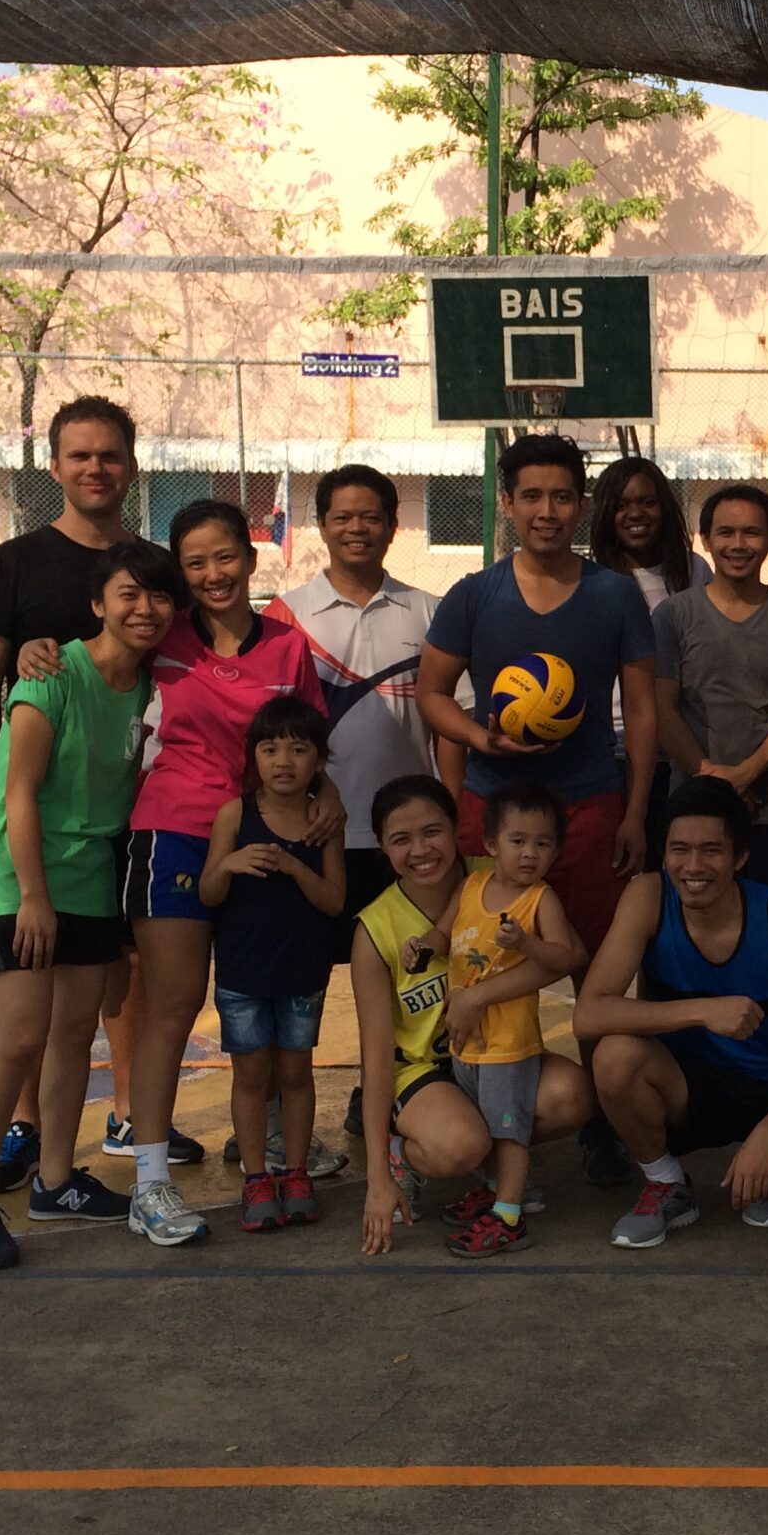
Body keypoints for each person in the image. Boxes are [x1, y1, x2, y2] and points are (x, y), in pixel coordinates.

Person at [417, 433, 658, 1189]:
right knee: (476, 961)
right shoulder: (473, 595)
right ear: (508, 503)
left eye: (561, 496)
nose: (546, 510)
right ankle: (455, 1113)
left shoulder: (615, 595)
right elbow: (431, 693)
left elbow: (642, 711)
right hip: (494, 810)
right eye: (531, 496)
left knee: (594, 974)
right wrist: (477, 737)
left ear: (582, 505)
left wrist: (635, 811)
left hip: (589, 806)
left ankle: (604, 1126)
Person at [0, 540, 178, 1270]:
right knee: (20, 1035)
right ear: (97, 604)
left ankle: (55, 1180)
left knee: (75, 1033)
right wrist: (33, 898)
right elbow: (17, 794)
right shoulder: (50, 676)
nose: (144, 610)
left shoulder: (146, 689)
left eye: (159, 597)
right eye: (128, 595)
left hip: (89, 874)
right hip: (21, 874)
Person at [120, 500, 334, 1250]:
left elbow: (313, 744)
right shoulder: (162, 635)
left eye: (225, 557)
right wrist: (36, 652)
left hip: (264, 841)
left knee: (268, 995)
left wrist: (331, 801)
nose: (213, 574)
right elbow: (98, 651)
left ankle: (272, 1144)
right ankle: (150, 1181)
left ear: (250, 557)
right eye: (195, 563)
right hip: (177, 834)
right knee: (175, 1004)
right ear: (180, 572)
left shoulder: (288, 648)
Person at [0, 394, 144, 1193]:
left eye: (110, 454)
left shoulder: (149, 570)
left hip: (110, 831)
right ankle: (17, 1137)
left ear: (131, 465)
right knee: (26, 1024)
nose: (95, 468)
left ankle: (118, 1121)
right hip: (34, 821)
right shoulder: (13, 565)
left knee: (98, 1002)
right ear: (55, 465)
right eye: (80, 455)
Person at [577, 778, 768, 1246]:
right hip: (687, 1085)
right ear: (663, 854)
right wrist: (702, 1010)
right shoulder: (647, 896)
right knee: (614, 1055)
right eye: (679, 850)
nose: (693, 866)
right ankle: (666, 1183)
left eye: (711, 851)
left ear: (740, 857)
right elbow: (588, 1016)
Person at [265, 463, 445, 1152]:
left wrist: (450, 816)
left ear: (393, 526)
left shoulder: (427, 612)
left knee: (410, 984)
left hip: (405, 844)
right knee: (299, 986)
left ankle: (391, 1100)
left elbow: (449, 725)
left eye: (371, 516)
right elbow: (272, 735)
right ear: (322, 525)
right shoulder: (286, 616)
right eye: (342, 516)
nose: (357, 528)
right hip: (317, 836)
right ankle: (277, 1125)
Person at [352, 776, 597, 1258]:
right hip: (424, 1070)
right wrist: (377, 1178)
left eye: (432, 831)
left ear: (458, 830)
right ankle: (406, 1157)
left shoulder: (498, 874)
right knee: (459, 1143)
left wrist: (477, 997)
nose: (420, 850)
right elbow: (376, 1059)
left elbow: (571, 955)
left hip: (494, 1051)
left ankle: (495, 1180)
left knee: (571, 1095)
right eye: (401, 839)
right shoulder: (375, 929)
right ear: (382, 846)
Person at [199, 696, 348, 1232]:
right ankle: (256, 1177)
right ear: (254, 758)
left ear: (318, 761)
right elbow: (208, 892)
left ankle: (297, 1173)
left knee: (295, 1072)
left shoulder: (322, 820)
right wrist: (231, 863)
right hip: (243, 972)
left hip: (302, 971)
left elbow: (334, 900)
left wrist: (292, 866)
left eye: (298, 749)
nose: (283, 760)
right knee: (251, 1075)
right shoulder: (235, 815)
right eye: (270, 749)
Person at [433, 782, 591, 1258]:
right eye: (517, 841)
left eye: (543, 844)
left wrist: (525, 943)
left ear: (556, 852)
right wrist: (420, 945)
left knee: (509, 1129)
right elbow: (443, 933)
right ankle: (494, 1191)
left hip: (509, 1043)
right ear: (491, 845)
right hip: (467, 1041)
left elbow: (563, 956)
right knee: (486, 1123)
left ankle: (508, 1216)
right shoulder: (471, 886)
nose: (529, 854)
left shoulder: (540, 900)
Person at [652, 483, 768, 900]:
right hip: (691, 809)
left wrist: (745, 775)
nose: (738, 544)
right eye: (725, 532)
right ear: (706, 539)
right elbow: (662, 708)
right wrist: (711, 781)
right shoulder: (673, 615)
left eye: (752, 533)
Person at [589, 455, 712, 865]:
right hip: (617, 753)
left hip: (683, 751)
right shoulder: (592, 580)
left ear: (664, 507)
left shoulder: (694, 572)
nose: (635, 513)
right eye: (621, 505)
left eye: (647, 501)